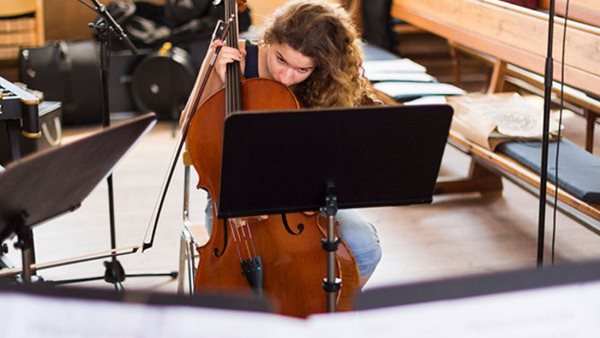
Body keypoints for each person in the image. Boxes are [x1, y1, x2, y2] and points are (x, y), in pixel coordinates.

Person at [180, 0, 382, 286]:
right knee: (238, 277)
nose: (286, 76)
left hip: (299, 198)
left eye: (302, 70)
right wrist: (216, 80)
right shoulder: (233, 54)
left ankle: (321, 318)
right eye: (281, 59)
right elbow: (189, 127)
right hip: (233, 205)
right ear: (269, 39)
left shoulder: (323, 82)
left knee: (364, 248)